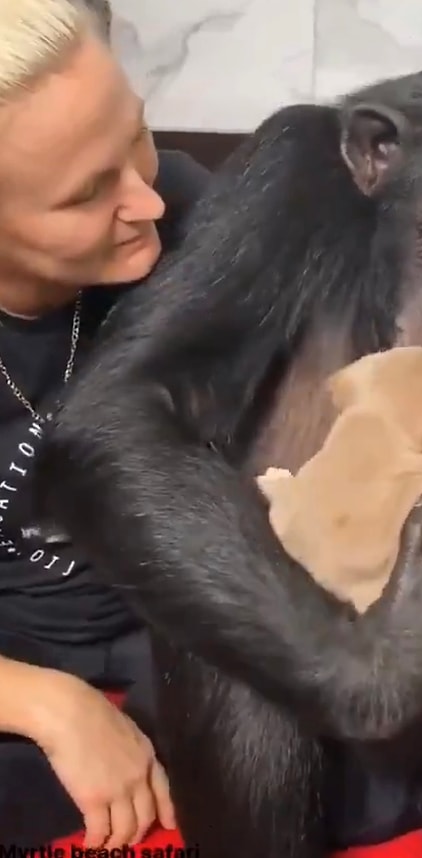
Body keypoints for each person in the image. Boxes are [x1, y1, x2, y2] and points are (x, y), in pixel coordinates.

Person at [0, 0, 211, 847]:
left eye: (137, 135)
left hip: (186, 632)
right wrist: (44, 703)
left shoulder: (194, 212)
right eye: (88, 193)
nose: (147, 201)